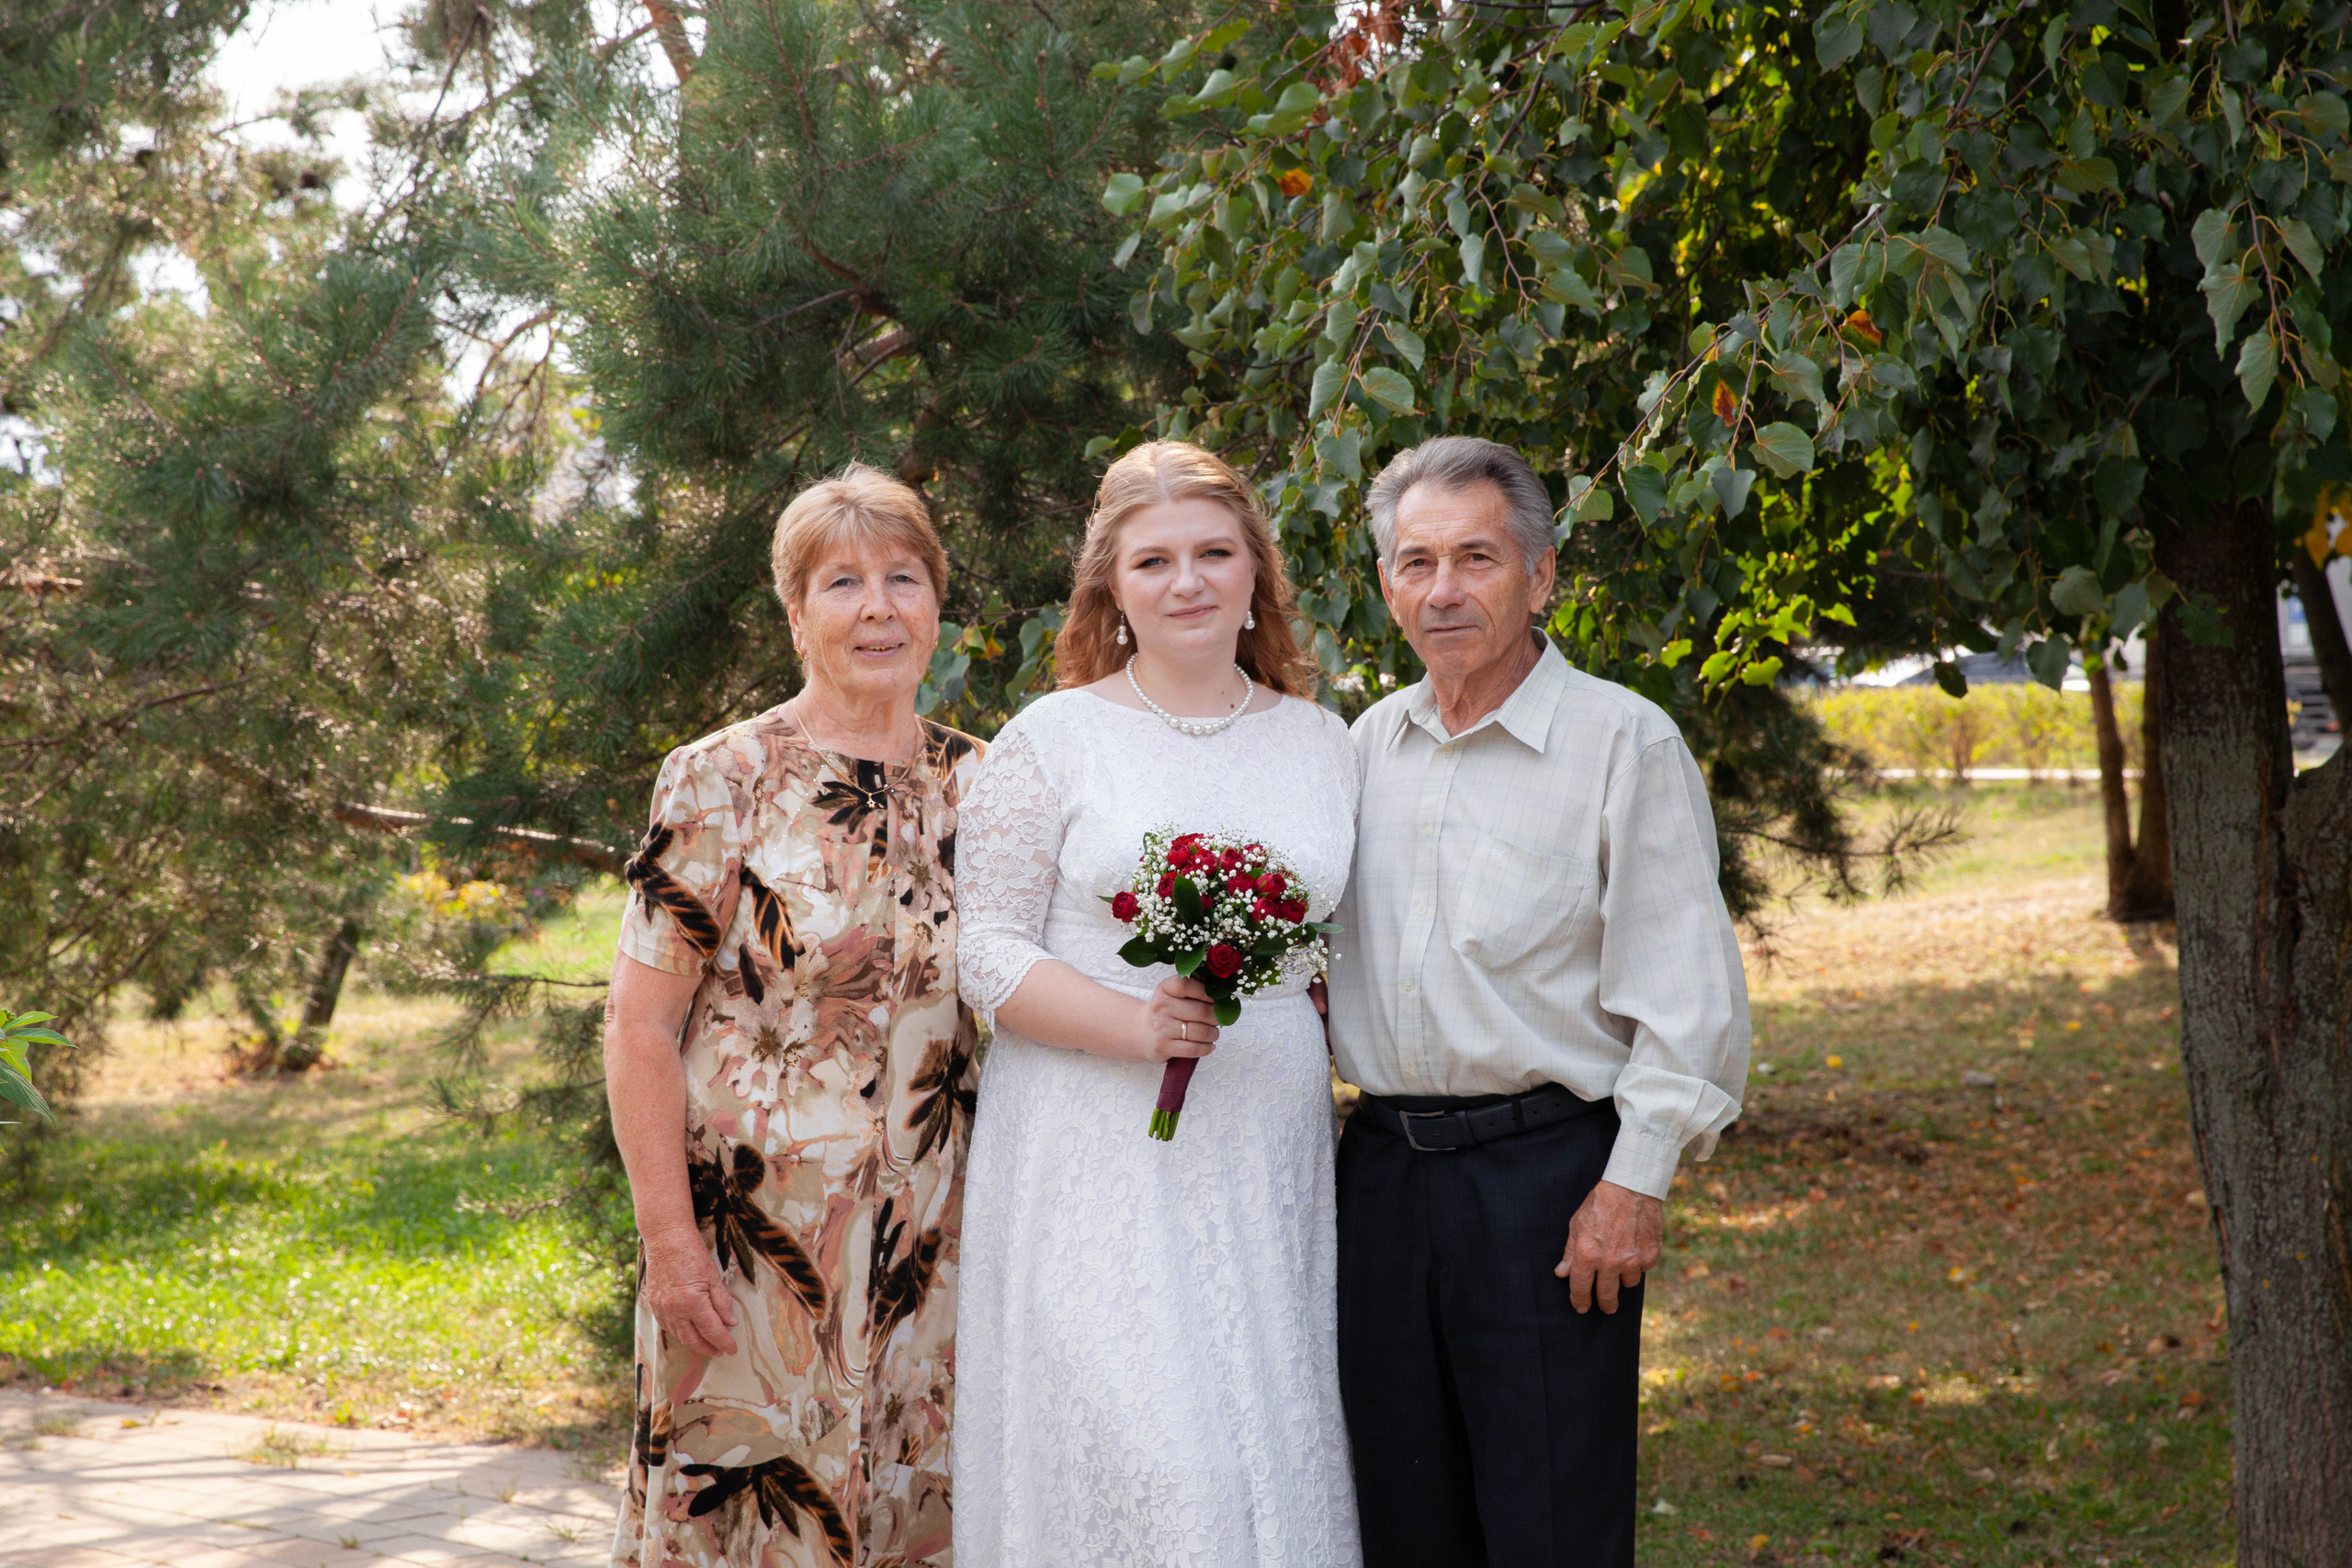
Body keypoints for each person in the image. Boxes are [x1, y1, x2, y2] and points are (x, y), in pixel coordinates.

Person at [1326, 436, 1750, 1568]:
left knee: (1546, 1525)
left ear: (1542, 576)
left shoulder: (1622, 742)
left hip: (1548, 1188)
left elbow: (1689, 999)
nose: (1444, 590)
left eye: (1477, 557)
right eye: (1415, 563)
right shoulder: (1362, 749)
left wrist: (1634, 1185)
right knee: (1401, 1518)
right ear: (1385, 587)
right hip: (1375, 1183)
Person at [951, 441, 1363, 1567]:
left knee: (1258, 1420)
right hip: (1096, 1140)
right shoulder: (1055, 738)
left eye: (1214, 553)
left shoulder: (1324, 743)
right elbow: (982, 946)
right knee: (1140, 1439)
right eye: (1154, 561)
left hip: (1267, 1132)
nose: (1188, 582)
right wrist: (1132, 1024)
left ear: (1255, 574)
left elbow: (1340, 942)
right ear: (1111, 589)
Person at [604, 463, 983, 1568]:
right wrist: (671, 1245)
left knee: (911, 1525)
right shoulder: (722, 778)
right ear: (795, 613)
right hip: (748, 1255)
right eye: (843, 583)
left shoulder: (988, 784)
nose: (878, 608)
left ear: (936, 602)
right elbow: (637, 1029)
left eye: (902, 578)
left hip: (933, 1256)